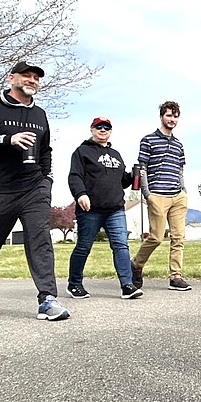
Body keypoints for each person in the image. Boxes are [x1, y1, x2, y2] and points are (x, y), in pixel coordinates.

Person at [0, 62, 69, 323]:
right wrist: (7, 140)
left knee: (40, 239)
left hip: (33, 188)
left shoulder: (40, 114)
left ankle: (47, 299)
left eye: (36, 78)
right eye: (26, 76)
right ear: (11, 78)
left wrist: (47, 179)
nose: (32, 80)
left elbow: (46, 150)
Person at [66, 117, 143, 300]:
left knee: (121, 246)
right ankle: (74, 284)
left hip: (115, 209)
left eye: (106, 127)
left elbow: (121, 181)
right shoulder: (82, 152)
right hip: (90, 208)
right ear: (92, 129)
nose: (102, 130)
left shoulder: (116, 154)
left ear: (110, 131)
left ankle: (127, 285)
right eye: (98, 127)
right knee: (83, 247)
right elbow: (74, 176)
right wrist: (80, 194)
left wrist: (132, 176)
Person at [130, 101, 191, 292]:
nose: (172, 119)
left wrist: (184, 191)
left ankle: (176, 276)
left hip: (177, 196)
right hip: (157, 195)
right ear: (161, 117)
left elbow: (180, 169)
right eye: (169, 115)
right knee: (156, 238)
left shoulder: (179, 144)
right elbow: (142, 168)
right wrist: (147, 194)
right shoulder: (148, 140)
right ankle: (136, 265)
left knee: (178, 237)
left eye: (175, 116)